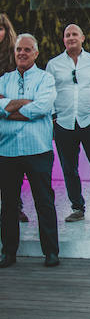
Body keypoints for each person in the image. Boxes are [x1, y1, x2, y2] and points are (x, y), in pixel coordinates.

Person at [0, 34, 60, 268]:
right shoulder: (4, 79)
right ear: (14, 53)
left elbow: (42, 107)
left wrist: (8, 107)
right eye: (19, 50)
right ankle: (9, 252)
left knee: (44, 201)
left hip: (38, 149)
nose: (22, 53)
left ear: (36, 53)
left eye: (27, 50)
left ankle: (51, 252)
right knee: (9, 204)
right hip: (7, 150)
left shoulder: (46, 79)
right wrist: (26, 102)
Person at [46, 24, 90, 222]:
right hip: (63, 122)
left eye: (74, 34)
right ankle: (77, 207)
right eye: (67, 35)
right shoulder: (54, 64)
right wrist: (53, 117)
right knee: (69, 168)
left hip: (89, 120)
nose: (71, 38)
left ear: (82, 37)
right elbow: (49, 91)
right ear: (63, 40)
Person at [0, 14, 26, 225]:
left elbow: (19, 94)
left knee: (12, 166)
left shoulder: (15, 55)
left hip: (9, 119)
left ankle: (15, 207)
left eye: (0, 28)